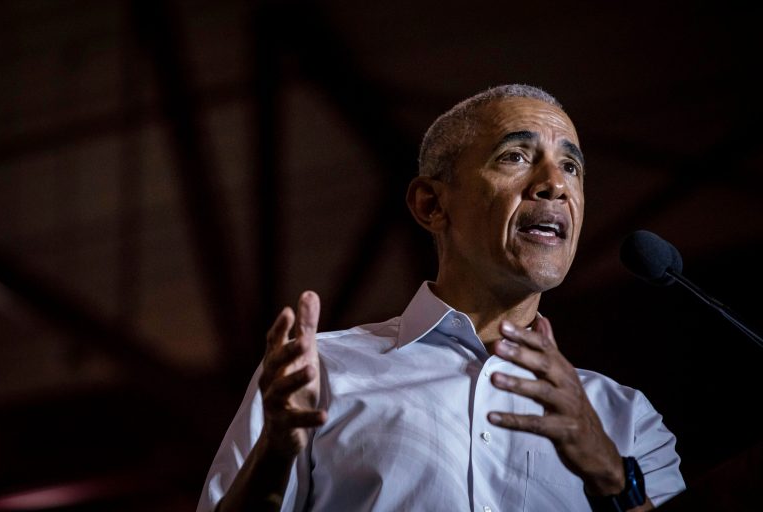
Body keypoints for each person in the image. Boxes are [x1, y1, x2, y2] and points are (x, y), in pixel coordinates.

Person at [196, 84, 686, 512]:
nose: (555, 185)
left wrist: (612, 478)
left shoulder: (625, 419)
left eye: (571, 166)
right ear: (431, 204)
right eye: (514, 156)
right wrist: (276, 455)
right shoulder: (318, 373)